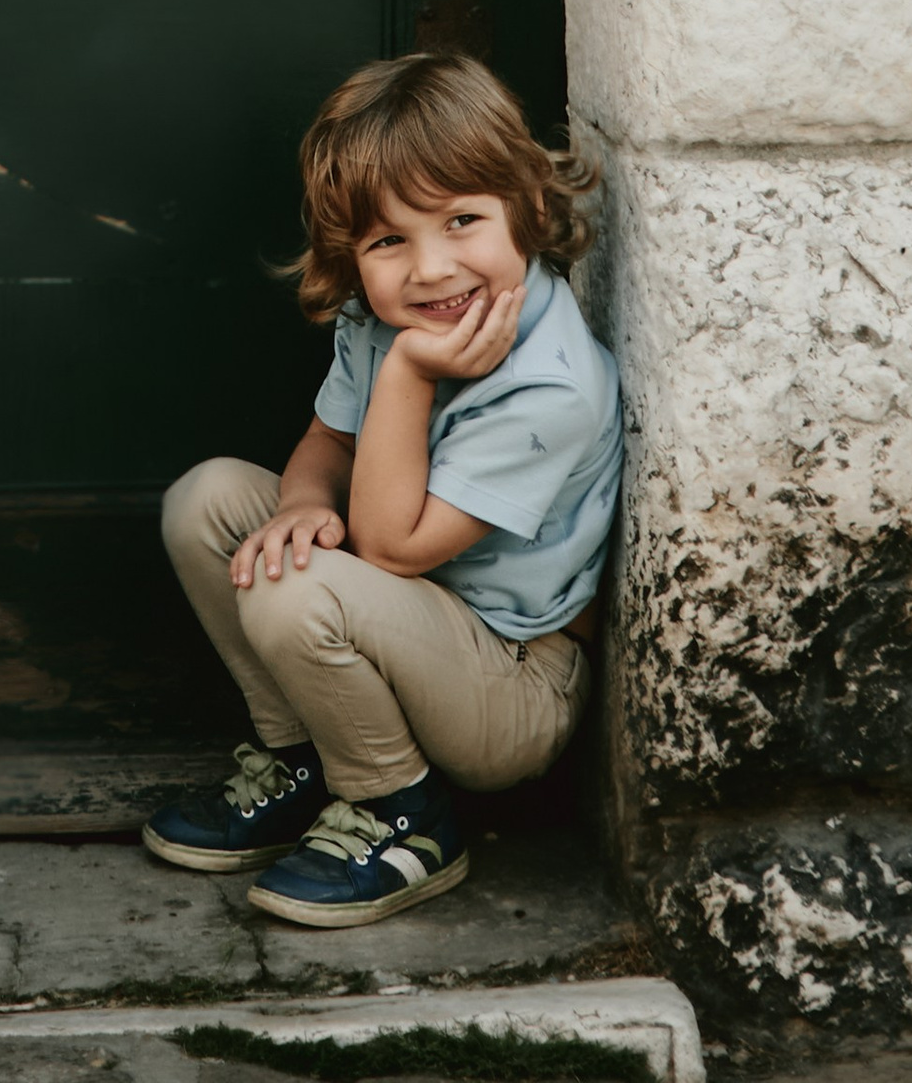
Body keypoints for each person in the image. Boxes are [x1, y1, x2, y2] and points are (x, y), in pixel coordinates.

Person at [143, 50, 619, 930]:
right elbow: (327, 441)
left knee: (296, 588)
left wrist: (406, 375)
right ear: (350, 253)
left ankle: (399, 812)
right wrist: (300, 507)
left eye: (462, 220)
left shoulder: (551, 385)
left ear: (532, 208)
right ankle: (302, 762)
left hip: (508, 685)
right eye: (390, 241)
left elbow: (395, 546)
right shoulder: (382, 319)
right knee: (208, 502)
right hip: (401, 621)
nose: (432, 269)